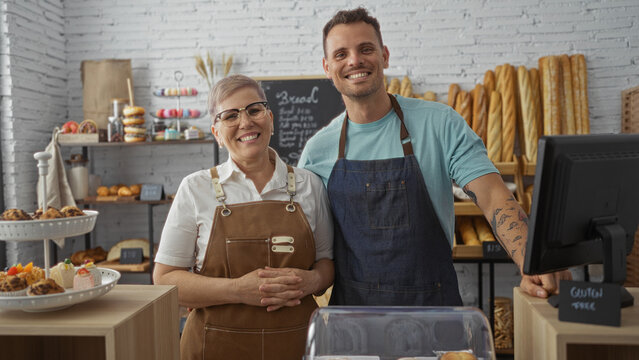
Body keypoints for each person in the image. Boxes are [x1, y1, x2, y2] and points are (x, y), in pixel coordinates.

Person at [298, 7, 570, 306]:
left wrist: (530, 260)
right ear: (327, 67)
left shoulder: (439, 123)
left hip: (434, 312)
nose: (354, 61)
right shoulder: (317, 151)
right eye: (341, 54)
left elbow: (493, 196)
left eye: (366, 49)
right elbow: (307, 241)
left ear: (384, 55)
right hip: (353, 320)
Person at [153, 74, 334, 360]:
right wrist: (238, 290)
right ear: (216, 133)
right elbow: (164, 280)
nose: (246, 122)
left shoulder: (308, 185)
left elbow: (327, 265)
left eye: (254, 110)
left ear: (270, 118)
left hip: (297, 346)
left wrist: (311, 281)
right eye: (230, 116)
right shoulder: (195, 188)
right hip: (212, 348)